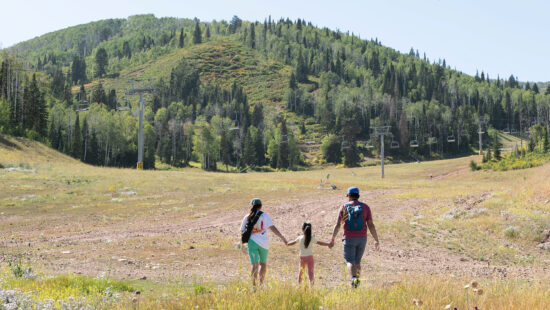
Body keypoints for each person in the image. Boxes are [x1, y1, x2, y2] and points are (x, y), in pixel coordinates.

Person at [329, 187, 379, 288]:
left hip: (349, 238)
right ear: (358, 195)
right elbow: (371, 224)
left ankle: (353, 279)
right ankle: (356, 283)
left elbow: (338, 224)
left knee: (349, 261)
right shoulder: (365, 207)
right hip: (362, 239)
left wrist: (332, 238)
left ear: (349, 196)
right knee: (357, 261)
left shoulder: (344, 207)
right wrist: (376, 239)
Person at [240, 198, 287, 286]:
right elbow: (273, 228)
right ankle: (261, 285)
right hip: (264, 244)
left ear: (251, 206)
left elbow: (242, 231)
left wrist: (242, 244)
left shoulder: (247, 217)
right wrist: (282, 237)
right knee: (263, 265)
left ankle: (254, 287)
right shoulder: (264, 216)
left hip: (252, 243)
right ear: (261, 206)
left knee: (254, 265)